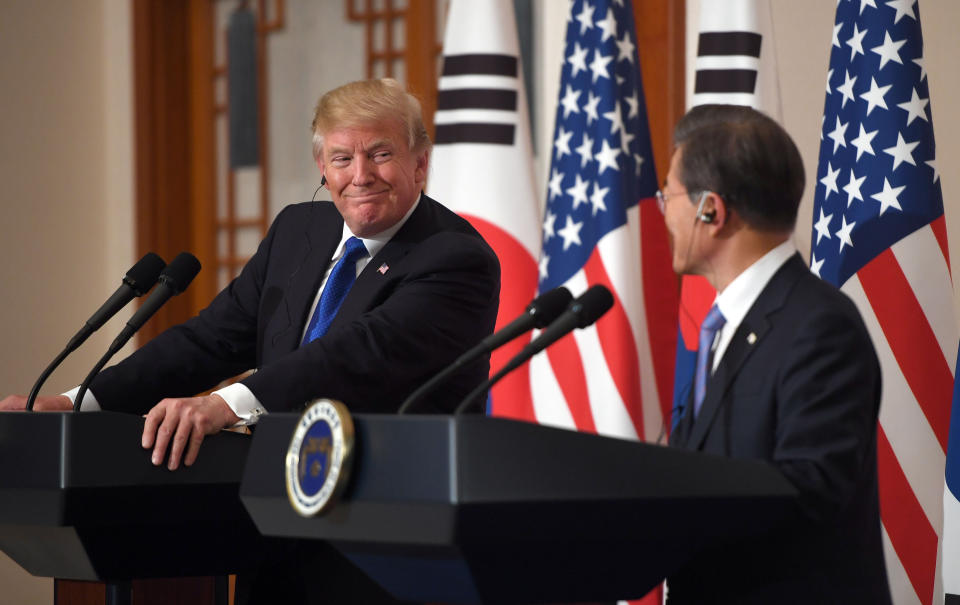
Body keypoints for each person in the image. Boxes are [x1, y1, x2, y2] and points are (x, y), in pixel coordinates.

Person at [0, 77, 501, 471]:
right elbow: (212, 339)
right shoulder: (298, 230)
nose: (361, 175)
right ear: (322, 167)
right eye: (342, 158)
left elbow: (355, 353)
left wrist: (227, 404)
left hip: (390, 516)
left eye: (381, 154)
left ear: (420, 164)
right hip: (271, 503)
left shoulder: (455, 257)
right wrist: (78, 403)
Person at [661, 105, 891, 604]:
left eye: (669, 195)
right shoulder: (723, 326)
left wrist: (666, 506)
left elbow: (811, 488)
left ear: (711, 211)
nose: (664, 211)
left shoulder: (819, 325)